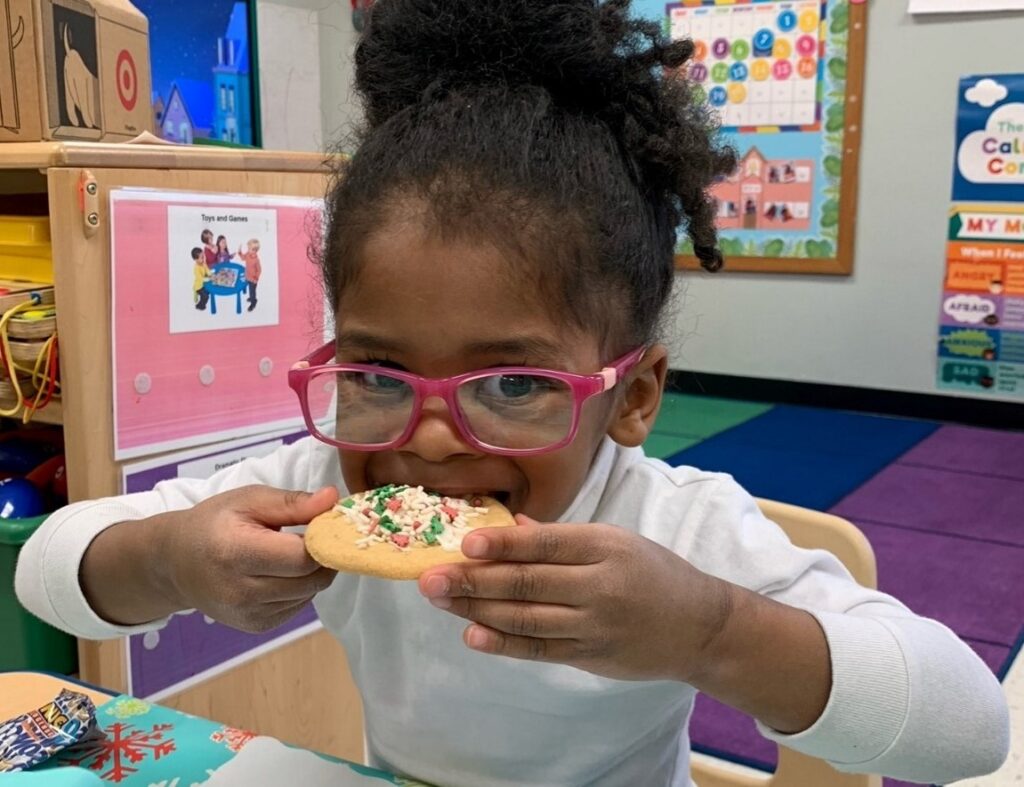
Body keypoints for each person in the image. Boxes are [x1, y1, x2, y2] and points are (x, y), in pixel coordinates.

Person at [16, 1, 1009, 786]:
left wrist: (710, 631)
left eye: (511, 382)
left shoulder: (667, 527)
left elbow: (969, 726)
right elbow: (46, 573)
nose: (432, 439)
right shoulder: (321, 481)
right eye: (375, 373)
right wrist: (172, 558)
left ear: (631, 396)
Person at [238, 238, 261, 311]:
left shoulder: (256, 260)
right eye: (248, 248)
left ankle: (253, 303)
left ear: (254, 250)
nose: (248, 250)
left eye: (249, 249)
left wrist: (256, 278)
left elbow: (259, 270)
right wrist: (240, 252)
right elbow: (243, 258)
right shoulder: (248, 254)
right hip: (247, 276)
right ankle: (252, 298)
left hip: (253, 279)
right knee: (250, 290)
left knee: (252, 291)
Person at [191, 246, 210, 311]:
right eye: (202, 257)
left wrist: (210, 274)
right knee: (205, 297)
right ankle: (200, 306)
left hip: (204, 283)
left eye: (203, 256)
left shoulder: (203, 263)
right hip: (199, 286)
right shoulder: (196, 268)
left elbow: (207, 270)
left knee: (209, 291)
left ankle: (198, 295)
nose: (204, 258)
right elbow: (200, 278)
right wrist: (208, 279)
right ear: (196, 259)